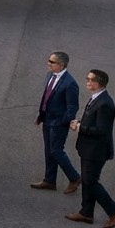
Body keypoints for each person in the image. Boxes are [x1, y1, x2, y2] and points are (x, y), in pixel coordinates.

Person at [67, 69, 115, 228]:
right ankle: (86, 212)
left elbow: (101, 130)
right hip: (88, 149)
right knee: (87, 181)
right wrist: (79, 123)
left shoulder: (104, 103)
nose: (87, 81)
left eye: (90, 79)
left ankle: (114, 211)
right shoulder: (96, 97)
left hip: (96, 151)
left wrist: (80, 127)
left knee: (91, 182)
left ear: (98, 82)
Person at [32, 51, 81, 194]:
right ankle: (49, 180)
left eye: (52, 62)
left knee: (56, 150)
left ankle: (74, 178)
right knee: (49, 151)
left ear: (62, 64)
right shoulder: (50, 75)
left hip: (58, 123)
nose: (49, 64)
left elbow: (72, 107)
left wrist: (64, 122)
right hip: (47, 119)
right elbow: (47, 98)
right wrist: (41, 115)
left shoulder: (70, 83)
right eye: (49, 60)